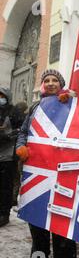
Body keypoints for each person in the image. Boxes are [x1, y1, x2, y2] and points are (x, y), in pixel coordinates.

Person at [15, 69, 79, 258]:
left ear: (61, 84)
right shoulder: (35, 107)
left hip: (63, 170)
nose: (51, 83)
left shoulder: (70, 102)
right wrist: (21, 147)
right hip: (38, 170)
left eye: (55, 80)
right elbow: (24, 131)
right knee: (37, 214)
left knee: (62, 214)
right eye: (47, 81)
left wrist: (72, 100)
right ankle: (39, 257)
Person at [0, 87, 21, 227]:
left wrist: (8, 135)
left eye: (2, 96)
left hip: (7, 157)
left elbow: (21, 130)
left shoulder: (14, 112)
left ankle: (4, 214)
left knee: (5, 187)